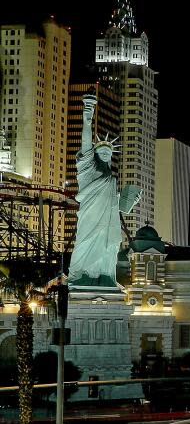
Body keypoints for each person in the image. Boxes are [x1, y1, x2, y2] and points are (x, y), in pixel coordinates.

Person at [68, 92, 141, 286]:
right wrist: (87, 118)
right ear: (95, 155)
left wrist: (128, 201)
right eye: (101, 152)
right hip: (90, 218)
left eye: (109, 153)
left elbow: (115, 205)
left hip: (108, 222)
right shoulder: (89, 169)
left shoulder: (111, 179)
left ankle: (106, 275)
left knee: (109, 246)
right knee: (85, 243)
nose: (106, 154)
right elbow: (85, 145)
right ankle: (82, 275)